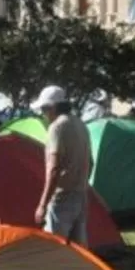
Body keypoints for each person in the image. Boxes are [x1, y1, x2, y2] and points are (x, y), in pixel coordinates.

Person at [32, 85, 91, 246]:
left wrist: (42, 204)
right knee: (79, 250)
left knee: (55, 248)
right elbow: (90, 161)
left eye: (44, 109)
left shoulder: (56, 128)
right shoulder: (80, 124)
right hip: (80, 195)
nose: (43, 114)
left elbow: (54, 168)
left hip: (62, 198)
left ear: (53, 107)